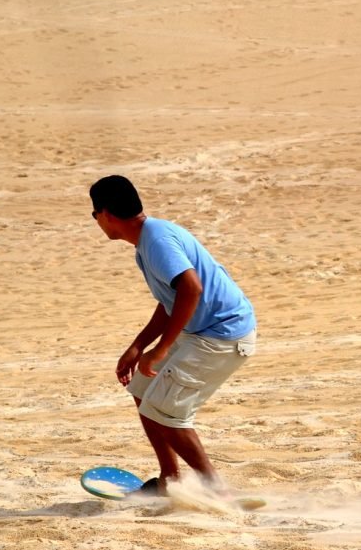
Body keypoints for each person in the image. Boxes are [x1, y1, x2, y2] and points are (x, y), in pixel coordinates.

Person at [89, 175, 256, 493]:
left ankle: (216, 490)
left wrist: (161, 348)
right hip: (202, 331)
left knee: (166, 412)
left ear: (105, 214)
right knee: (143, 389)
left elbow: (192, 288)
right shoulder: (147, 239)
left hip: (223, 335)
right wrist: (139, 346)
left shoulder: (157, 240)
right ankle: (170, 478)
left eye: (93, 214)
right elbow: (172, 299)